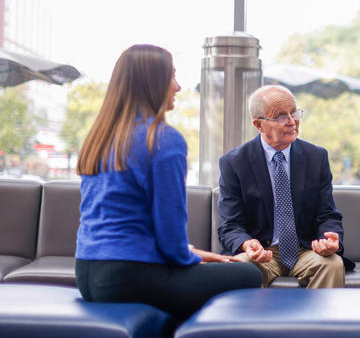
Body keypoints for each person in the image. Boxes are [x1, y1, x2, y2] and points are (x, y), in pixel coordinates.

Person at [75, 44, 262, 320]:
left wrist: (197, 253)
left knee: (215, 269)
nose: (178, 86)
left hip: (87, 272)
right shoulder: (162, 139)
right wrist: (193, 260)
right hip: (130, 276)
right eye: (172, 77)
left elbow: (123, 221)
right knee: (248, 273)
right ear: (153, 83)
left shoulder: (100, 138)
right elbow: (170, 232)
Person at [217, 85, 351, 288]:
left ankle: (317, 321)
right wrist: (247, 244)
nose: (292, 121)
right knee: (241, 266)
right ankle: (255, 321)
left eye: (294, 112)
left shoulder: (316, 157)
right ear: (259, 125)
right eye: (281, 116)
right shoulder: (234, 163)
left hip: (305, 249)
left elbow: (327, 214)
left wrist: (329, 239)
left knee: (332, 264)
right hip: (262, 251)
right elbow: (230, 226)